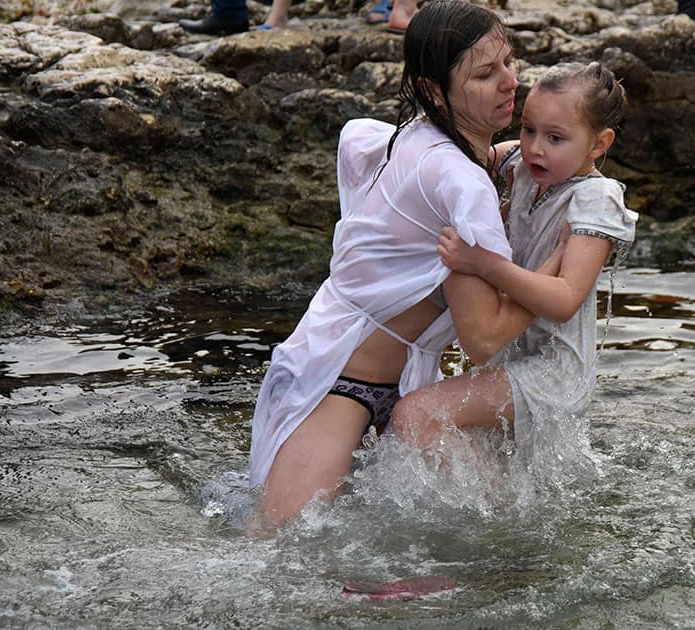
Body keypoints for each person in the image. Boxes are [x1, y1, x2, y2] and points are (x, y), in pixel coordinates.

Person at [247, 0, 546, 530]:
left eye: (509, 62)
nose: (510, 82)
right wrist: (558, 273)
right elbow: (482, 341)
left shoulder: (414, 135)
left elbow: (359, 144)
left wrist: (498, 157)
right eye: (485, 73)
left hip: (397, 382)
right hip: (337, 386)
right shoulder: (461, 182)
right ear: (435, 91)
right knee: (275, 548)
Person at [389, 62, 638, 467]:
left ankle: (492, 519)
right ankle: (497, 511)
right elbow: (462, 154)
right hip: (511, 356)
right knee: (497, 460)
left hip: (553, 372)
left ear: (598, 144)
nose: (535, 147)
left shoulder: (595, 198)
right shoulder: (524, 170)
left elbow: (564, 300)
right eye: (528, 129)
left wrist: (483, 265)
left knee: (416, 413)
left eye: (556, 138)